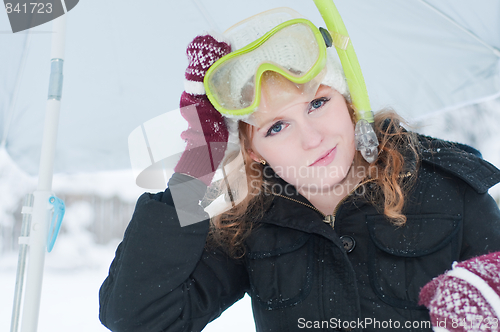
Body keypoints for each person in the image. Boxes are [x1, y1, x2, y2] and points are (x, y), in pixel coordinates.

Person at [99, 7, 500, 332]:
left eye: (317, 103)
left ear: (348, 101)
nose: (312, 138)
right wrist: (199, 164)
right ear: (254, 152)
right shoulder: (251, 225)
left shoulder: (450, 191)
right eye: (277, 127)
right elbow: (139, 317)